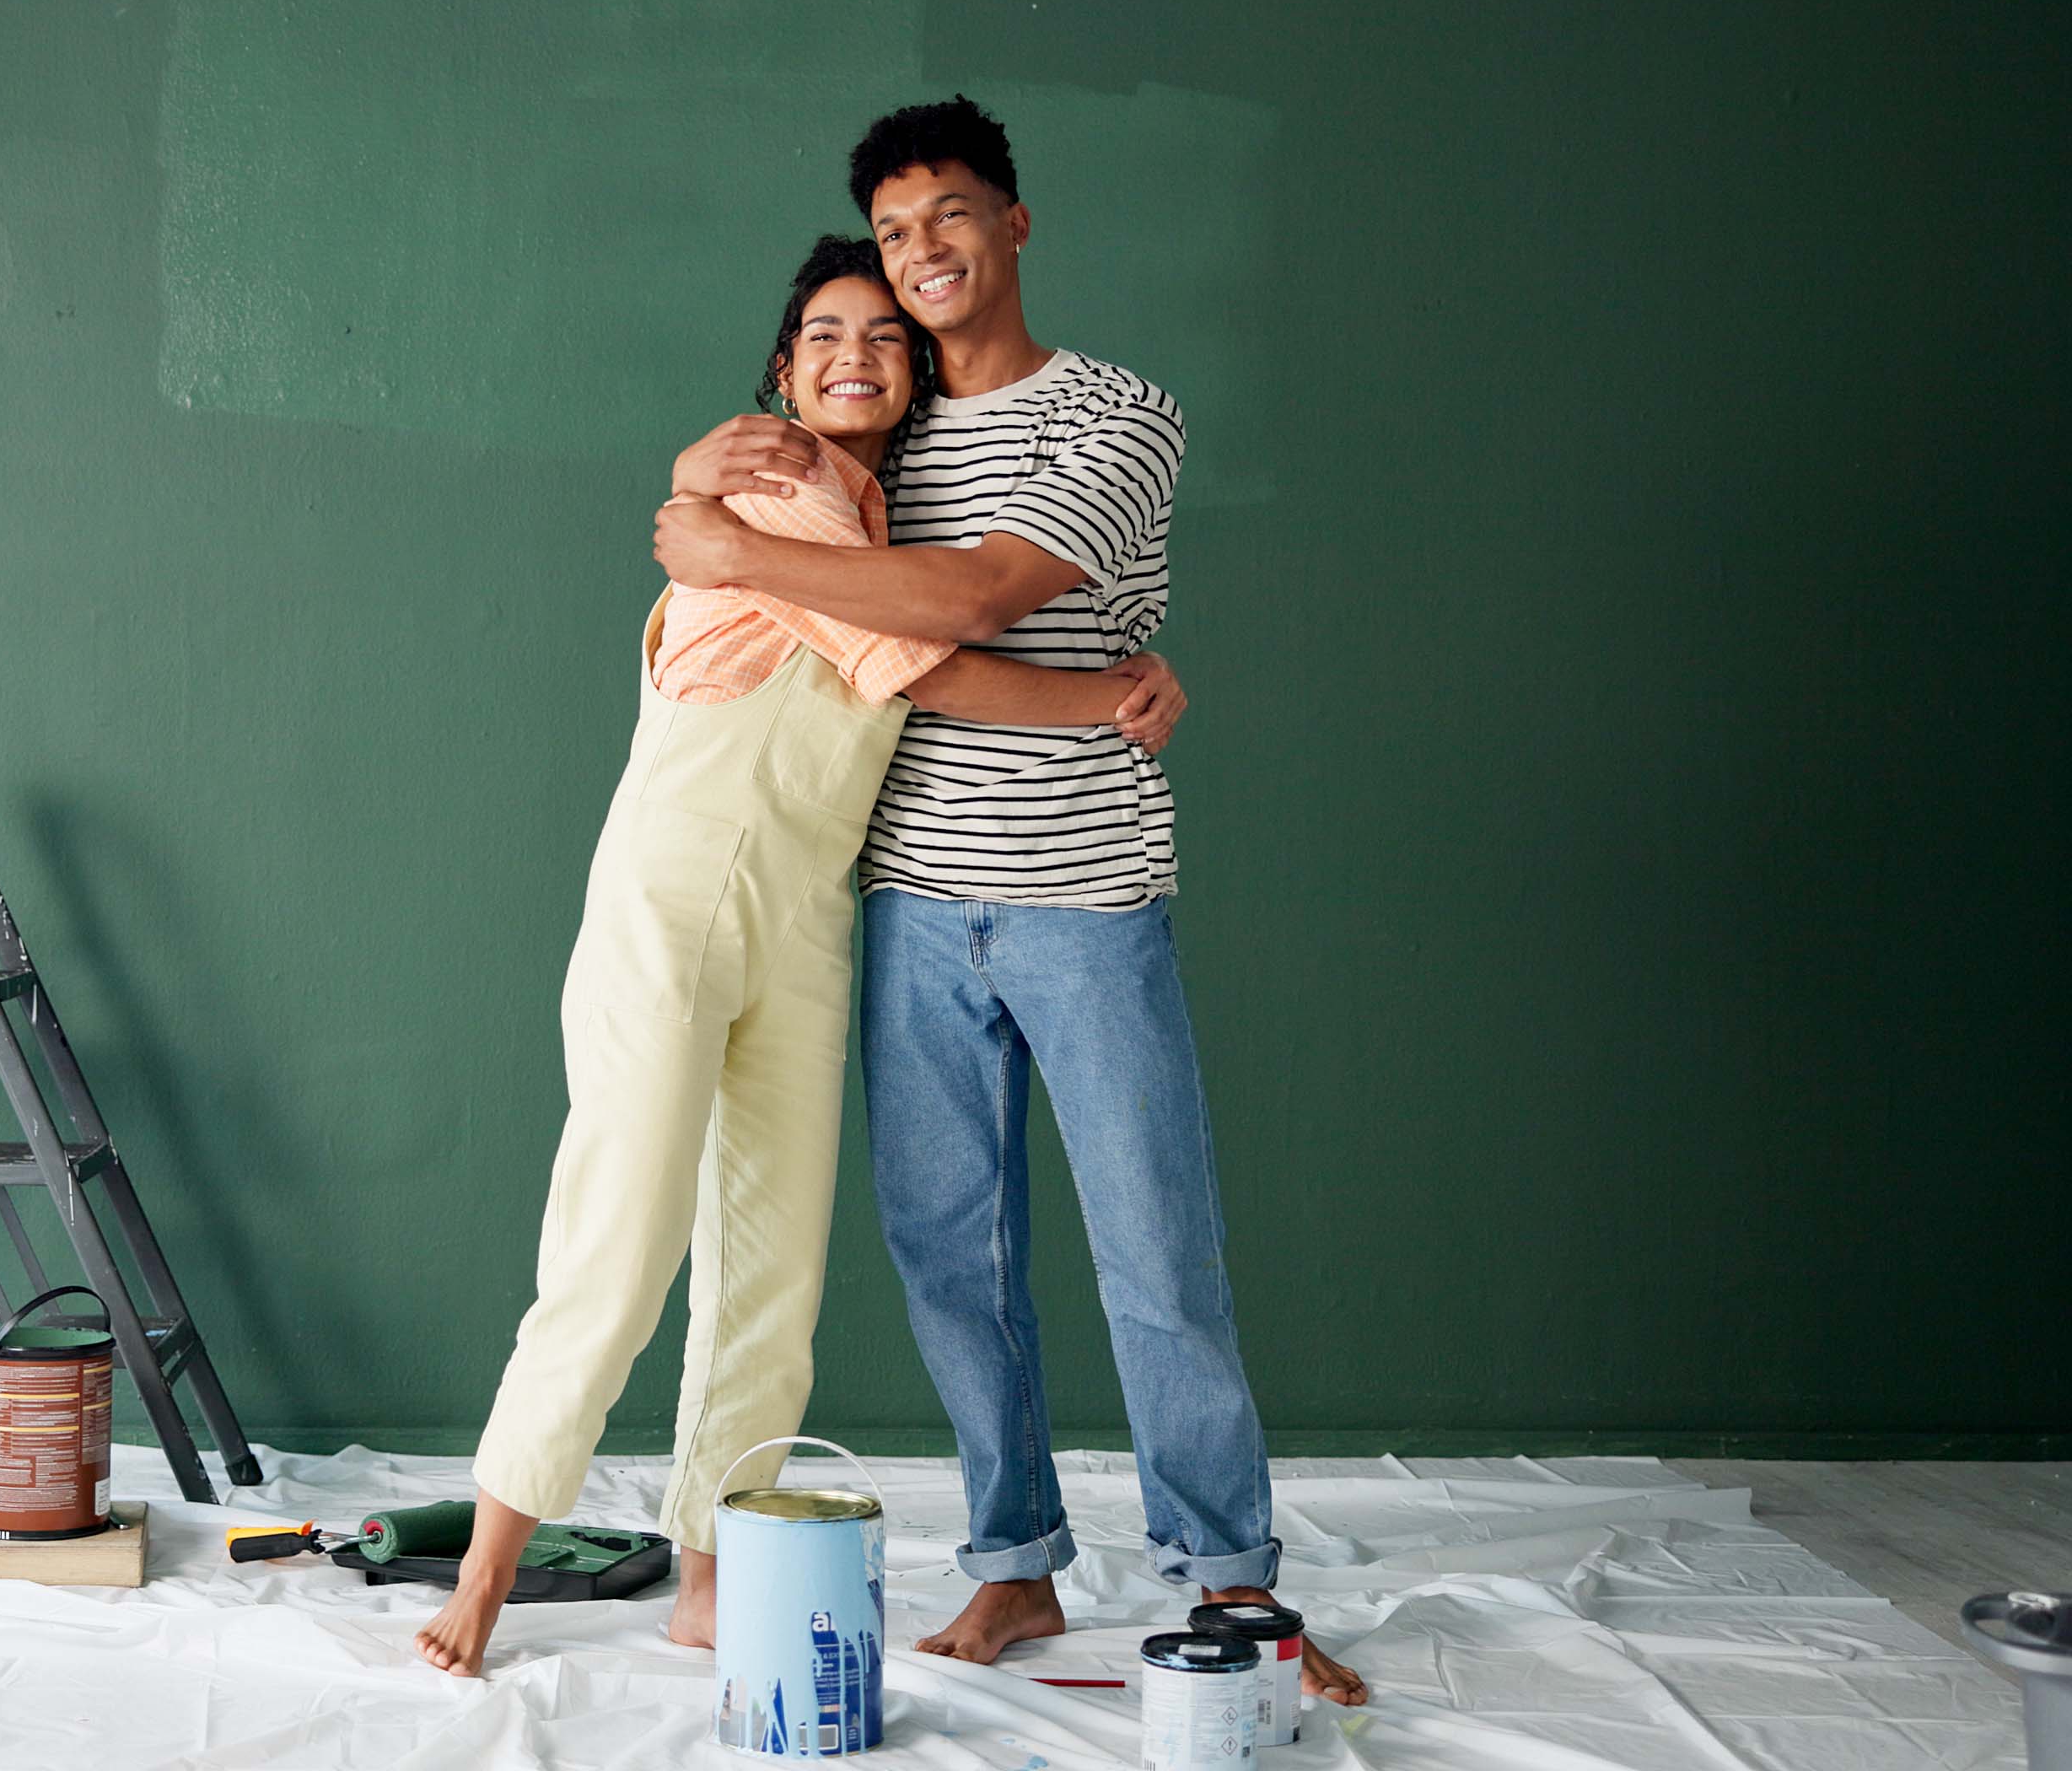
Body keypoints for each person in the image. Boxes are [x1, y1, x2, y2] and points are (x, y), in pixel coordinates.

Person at [650, 97, 1370, 1706]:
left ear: (1015, 224)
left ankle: (1232, 1583)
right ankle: (1015, 1567)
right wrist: (699, 487)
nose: (923, 255)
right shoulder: (884, 420)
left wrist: (738, 556)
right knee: (947, 1258)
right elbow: (745, 478)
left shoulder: (1116, 414)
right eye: (896, 233)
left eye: (952, 218)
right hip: (905, 896)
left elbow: (968, 597)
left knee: (1156, 1252)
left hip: (1084, 891)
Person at [414, 235, 1188, 1677]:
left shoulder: (879, 517)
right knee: (620, 1240)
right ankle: (485, 1570)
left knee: (773, 1268)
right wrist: (1115, 698)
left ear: (914, 379)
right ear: (783, 373)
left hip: (809, 916)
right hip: (673, 898)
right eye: (826, 333)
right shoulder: (775, 497)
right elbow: (931, 663)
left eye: (886, 338)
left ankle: (709, 1581)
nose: (857, 355)